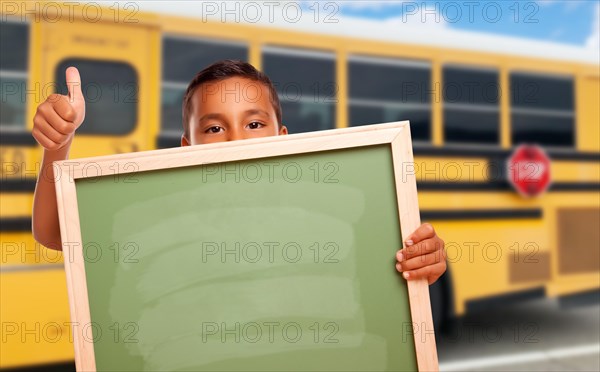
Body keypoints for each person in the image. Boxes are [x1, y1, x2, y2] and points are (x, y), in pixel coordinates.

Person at [31, 59, 446, 285]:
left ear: (281, 137)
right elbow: (53, 233)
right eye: (214, 128)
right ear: (186, 148)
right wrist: (58, 146)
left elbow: (386, 270)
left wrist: (422, 261)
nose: (235, 141)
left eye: (253, 124)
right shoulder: (157, 217)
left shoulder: (330, 221)